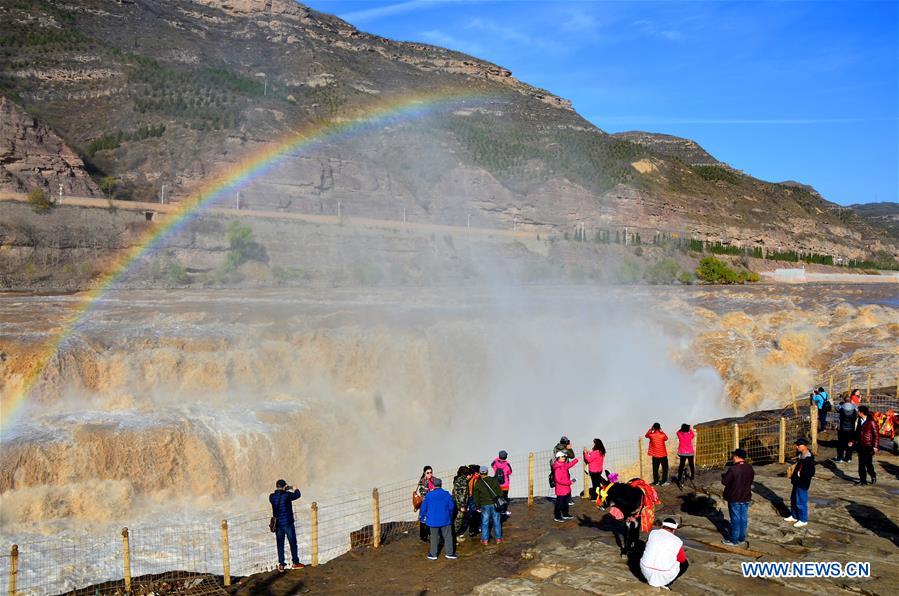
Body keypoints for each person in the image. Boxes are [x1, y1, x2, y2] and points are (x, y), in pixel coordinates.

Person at [640, 518, 688, 589]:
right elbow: (682, 559)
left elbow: (647, 545)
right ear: (674, 529)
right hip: (663, 573)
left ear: (662, 526)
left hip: (645, 569)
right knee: (685, 564)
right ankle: (666, 583)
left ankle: (651, 580)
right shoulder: (677, 541)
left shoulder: (653, 533)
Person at [601, 480, 645, 557]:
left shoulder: (632, 497)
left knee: (636, 527)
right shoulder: (620, 498)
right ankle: (627, 547)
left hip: (636, 505)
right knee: (627, 528)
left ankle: (635, 542)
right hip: (628, 505)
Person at [720, 448, 754, 546]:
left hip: (734, 497)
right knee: (743, 518)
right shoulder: (749, 468)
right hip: (746, 496)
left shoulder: (733, 469)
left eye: (733, 456)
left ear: (737, 457)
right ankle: (742, 538)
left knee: (735, 519)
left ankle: (734, 540)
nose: (732, 458)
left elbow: (725, 482)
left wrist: (724, 476)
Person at [269, 479, 303, 571]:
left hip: (278, 525)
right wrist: (294, 488)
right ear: (284, 487)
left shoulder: (271, 497)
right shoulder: (287, 495)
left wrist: (284, 489)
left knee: (280, 544)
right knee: (292, 543)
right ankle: (295, 563)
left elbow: (278, 496)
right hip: (288, 523)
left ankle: (281, 565)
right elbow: (298, 495)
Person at [420, 477, 457, 560]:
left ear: (433, 485)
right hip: (445, 519)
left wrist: (422, 516)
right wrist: (449, 515)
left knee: (434, 537)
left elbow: (423, 507)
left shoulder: (429, 495)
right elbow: (451, 506)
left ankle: (433, 554)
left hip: (432, 520)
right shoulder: (446, 494)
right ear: (441, 484)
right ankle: (449, 553)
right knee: (447, 536)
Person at [784, 438, 815, 528]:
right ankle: (794, 516)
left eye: (799, 445)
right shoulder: (801, 455)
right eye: (797, 445)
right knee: (793, 499)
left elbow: (811, 472)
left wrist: (800, 474)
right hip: (797, 481)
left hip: (802, 483)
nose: (797, 447)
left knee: (801, 501)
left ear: (805, 446)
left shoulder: (808, 458)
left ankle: (803, 519)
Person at [472, 466, 503, 544]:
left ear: (480, 473)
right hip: (494, 504)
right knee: (496, 521)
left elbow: (475, 496)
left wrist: (478, 506)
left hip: (484, 504)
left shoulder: (478, 483)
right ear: (487, 472)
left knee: (485, 522)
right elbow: (500, 493)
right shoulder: (493, 480)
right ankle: (498, 539)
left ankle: (485, 540)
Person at [849, 405, 878, 485]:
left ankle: (873, 475)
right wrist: (852, 441)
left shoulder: (871, 422)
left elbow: (876, 435)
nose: (857, 413)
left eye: (858, 411)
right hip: (860, 445)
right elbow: (856, 433)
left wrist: (875, 446)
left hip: (869, 445)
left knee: (868, 463)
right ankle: (863, 481)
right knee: (861, 464)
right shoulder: (858, 421)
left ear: (861, 413)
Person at [552, 451, 579, 522]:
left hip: (566, 488)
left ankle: (565, 514)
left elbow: (569, 465)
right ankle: (557, 516)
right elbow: (558, 480)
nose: (564, 458)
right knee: (560, 504)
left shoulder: (563, 464)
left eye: (564, 457)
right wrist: (569, 482)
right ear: (558, 458)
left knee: (565, 503)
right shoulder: (558, 468)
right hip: (561, 489)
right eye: (562, 457)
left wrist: (576, 460)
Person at [835, 394, 857, 463]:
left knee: (840, 444)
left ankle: (840, 458)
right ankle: (848, 458)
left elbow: (836, 407)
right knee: (850, 443)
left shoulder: (841, 407)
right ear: (850, 400)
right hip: (851, 429)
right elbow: (857, 410)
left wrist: (841, 403)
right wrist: (852, 403)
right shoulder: (854, 408)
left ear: (844, 401)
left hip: (842, 429)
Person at [415, 466, 435, 542]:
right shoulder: (423, 481)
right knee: (424, 519)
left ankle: (428, 533)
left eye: (431, 472)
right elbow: (423, 493)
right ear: (424, 473)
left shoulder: (432, 480)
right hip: (425, 503)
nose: (430, 474)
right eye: (428, 473)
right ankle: (423, 536)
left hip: (431, 502)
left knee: (429, 518)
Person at [451, 466, 471, 541]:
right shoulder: (463, 481)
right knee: (459, 520)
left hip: (455, 502)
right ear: (467, 474)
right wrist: (462, 506)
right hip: (460, 504)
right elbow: (462, 495)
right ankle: (454, 537)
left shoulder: (458, 479)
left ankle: (455, 535)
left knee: (457, 519)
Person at [675, 424, 695, 488]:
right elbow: (693, 434)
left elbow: (677, 432)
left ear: (682, 429)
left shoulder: (680, 435)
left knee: (681, 465)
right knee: (691, 464)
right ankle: (692, 476)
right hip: (690, 453)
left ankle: (679, 476)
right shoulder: (690, 435)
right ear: (688, 429)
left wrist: (681, 429)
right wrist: (690, 429)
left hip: (682, 453)